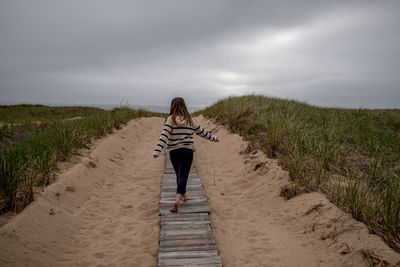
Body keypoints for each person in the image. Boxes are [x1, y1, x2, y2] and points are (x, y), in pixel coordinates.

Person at [153, 97, 219, 212]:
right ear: (184, 106)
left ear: (172, 106)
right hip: (187, 151)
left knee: (179, 175)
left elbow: (164, 135)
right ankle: (178, 198)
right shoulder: (190, 119)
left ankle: (183, 196)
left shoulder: (170, 119)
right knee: (183, 176)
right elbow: (202, 132)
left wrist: (157, 150)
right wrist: (214, 138)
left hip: (174, 151)